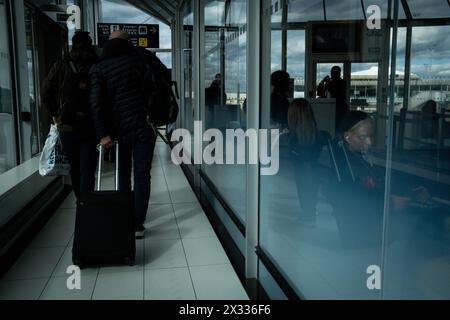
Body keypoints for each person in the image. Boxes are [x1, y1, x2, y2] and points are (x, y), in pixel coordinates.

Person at [90, 30, 161, 239]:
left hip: (118, 131)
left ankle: (123, 218)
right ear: (128, 42)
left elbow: (96, 103)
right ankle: (137, 224)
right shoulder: (140, 60)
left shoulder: (100, 67)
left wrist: (103, 133)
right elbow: (153, 90)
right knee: (142, 175)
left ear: (109, 43)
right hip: (143, 127)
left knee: (123, 173)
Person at [325, 111, 431, 248]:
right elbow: (358, 198)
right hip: (360, 235)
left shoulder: (353, 158)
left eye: (370, 136)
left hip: (365, 227)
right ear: (347, 137)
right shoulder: (347, 166)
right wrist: (392, 203)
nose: (369, 142)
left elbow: (378, 184)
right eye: (362, 137)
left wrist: (410, 193)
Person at [41, 31, 98, 198]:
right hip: (90, 126)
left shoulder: (61, 65)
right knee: (87, 168)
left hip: (67, 125)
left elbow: (45, 93)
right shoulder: (97, 65)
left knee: (74, 166)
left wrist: (56, 115)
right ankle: (87, 203)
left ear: (73, 44)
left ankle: (79, 200)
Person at [287, 98, 329, 227]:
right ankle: (309, 213)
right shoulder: (316, 134)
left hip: (303, 169)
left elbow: (292, 156)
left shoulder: (294, 138)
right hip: (314, 169)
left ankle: (308, 216)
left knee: (304, 190)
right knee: (311, 190)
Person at [317, 66, 348, 132]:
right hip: (332, 109)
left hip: (340, 110)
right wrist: (323, 81)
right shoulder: (331, 83)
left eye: (334, 73)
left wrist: (326, 83)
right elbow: (319, 93)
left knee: (339, 128)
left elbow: (335, 92)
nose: (333, 74)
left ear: (339, 73)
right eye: (332, 72)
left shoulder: (342, 83)